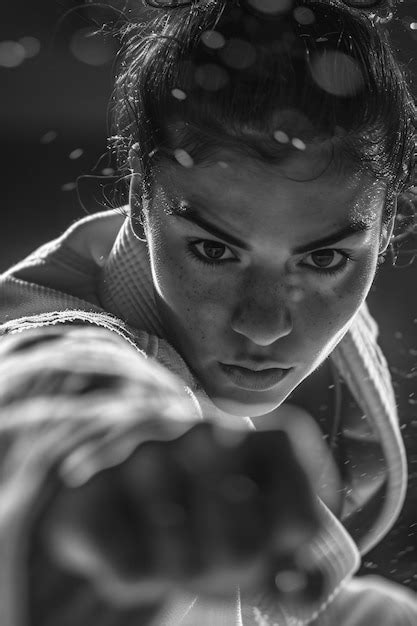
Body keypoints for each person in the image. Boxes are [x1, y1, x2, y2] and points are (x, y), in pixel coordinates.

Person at [0, 0, 416, 624]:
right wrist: (93, 462)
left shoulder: (340, 351)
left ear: (386, 229)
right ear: (141, 202)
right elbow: (48, 378)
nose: (264, 324)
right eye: (214, 249)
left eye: (323, 260)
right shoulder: (63, 333)